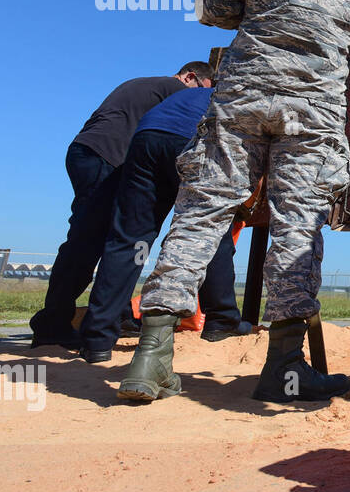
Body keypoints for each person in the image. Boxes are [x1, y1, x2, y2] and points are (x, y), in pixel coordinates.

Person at [119, 0, 350, 406]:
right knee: (299, 226)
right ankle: (284, 369)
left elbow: (211, 7)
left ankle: (150, 358)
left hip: (243, 96)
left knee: (201, 212)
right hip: (314, 109)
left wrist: (260, 11)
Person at [29, 63, 214, 349]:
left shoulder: (144, 84)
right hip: (107, 158)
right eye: (203, 88)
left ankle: (86, 322)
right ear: (190, 77)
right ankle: (53, 324)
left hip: (90, 153)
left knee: (96, 239)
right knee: (89, 241)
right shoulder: (176, 89)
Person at [75, 85, 255, 363]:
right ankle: (221, 319)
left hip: (146, 140)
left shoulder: (191, 94)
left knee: (130, 239)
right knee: (210, 226)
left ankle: (97, 338)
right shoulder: (244, 95)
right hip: (195, 138)